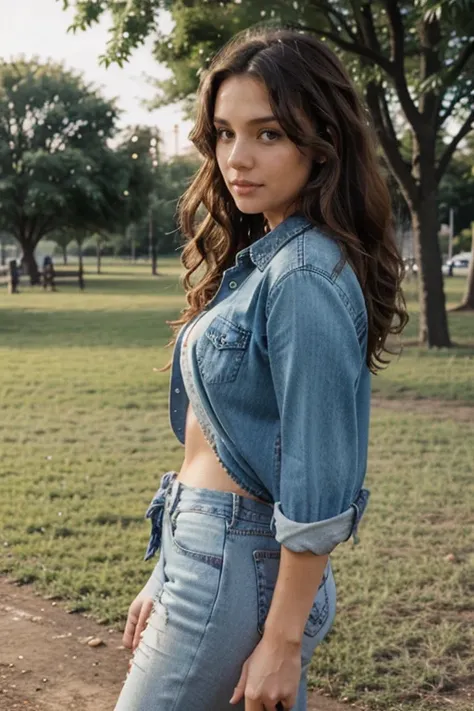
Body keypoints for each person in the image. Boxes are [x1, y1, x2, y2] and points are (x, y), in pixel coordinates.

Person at [114, 26, 408, 711]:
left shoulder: (302, 274)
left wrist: (280, 640)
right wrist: (168, 567)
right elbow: (214, 442)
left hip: (237, 566)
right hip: (210, 550)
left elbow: (318, 472)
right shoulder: (270, 256)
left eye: (268, 133)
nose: (236, 158)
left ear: (323, 141)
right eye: (223, 133)